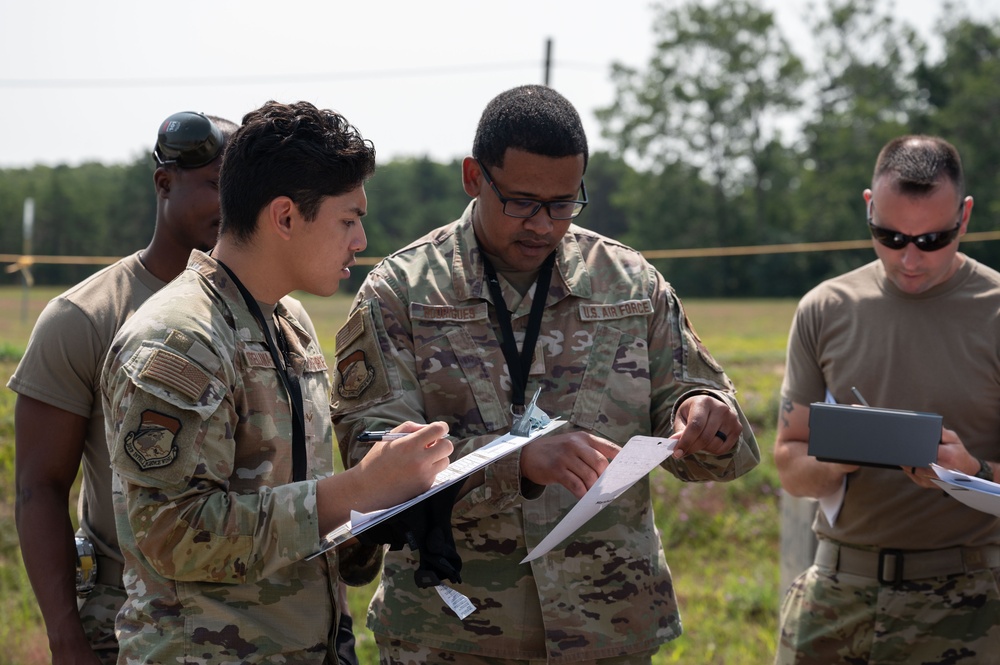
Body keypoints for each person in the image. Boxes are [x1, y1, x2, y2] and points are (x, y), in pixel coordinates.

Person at [331, 84, 761, 664]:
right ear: (473, 178)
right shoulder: (401, 293)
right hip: (451, 633)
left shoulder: (630, 286)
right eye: (522, 201)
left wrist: (706, 414)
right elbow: (372, 463)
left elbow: (713, 428)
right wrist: (517, 461)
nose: (542, 224)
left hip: (607, 627)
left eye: (563, 204)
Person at [100, 100, 455, 664]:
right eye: (348, 219)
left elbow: (289, 506)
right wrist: (357, 490)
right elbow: (171, 533)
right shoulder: (180, 339)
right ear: (286, 217)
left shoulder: (288, 323)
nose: (360, 241)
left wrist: (382, 511)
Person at [8, 110, 238, 664]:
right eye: (215, 186)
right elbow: (39, 487)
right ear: (164, 183)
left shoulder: (269, 314)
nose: (232, 205)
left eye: (240, 188)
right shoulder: (84, 317)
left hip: (247, 614)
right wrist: (66, 636)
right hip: (126, 612)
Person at [774, 135, 1000, 664]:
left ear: (965, 217)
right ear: (868, 207)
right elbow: (789, 463)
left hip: (968, 600)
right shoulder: (824, 309)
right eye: (890, 236)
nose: (910, 259)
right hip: (836, 591)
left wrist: (971, 470)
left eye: (933, 239)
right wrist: (840, 456)